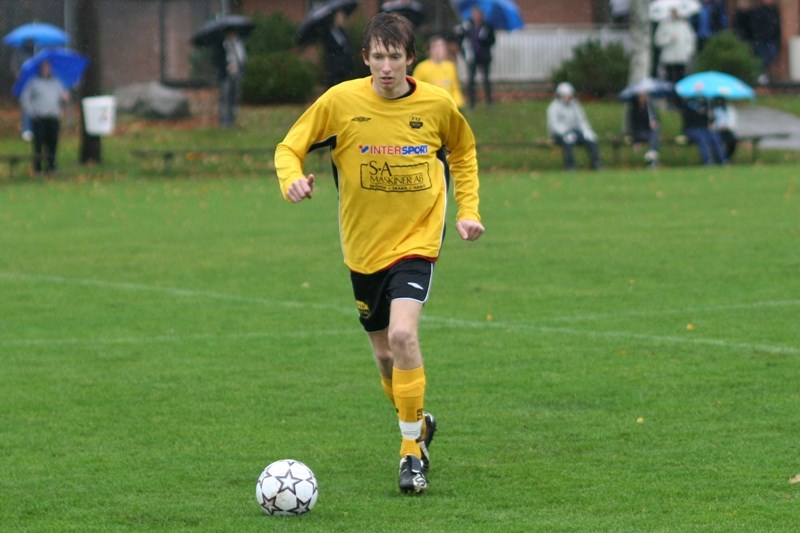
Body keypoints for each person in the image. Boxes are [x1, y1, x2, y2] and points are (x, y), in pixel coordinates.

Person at [274, 12, 484, 494]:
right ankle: (418, 422)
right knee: (385, 354)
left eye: (395, 57)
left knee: (404, 335)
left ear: (410, 59)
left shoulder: (437, 104)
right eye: (377, 57)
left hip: (417, 240)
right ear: (365, 58)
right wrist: (291, 180)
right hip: (363, 247)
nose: (386, 67)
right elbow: (289, 147)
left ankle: (411, 453)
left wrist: (468, 209)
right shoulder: (340, 102)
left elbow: (464, 151)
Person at [20, 60, 69, 176]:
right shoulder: (33, 82)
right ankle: (37, 168)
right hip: (39, 118)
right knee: (38, 143)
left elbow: (62, 97)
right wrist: (32, 112)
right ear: (40, 68)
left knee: (53, 143)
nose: (46, 69)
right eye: (44, 67)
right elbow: (25, 99)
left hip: (53, 117)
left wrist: (64, 98)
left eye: (48, 67)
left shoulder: (56, 82)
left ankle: (51, 167)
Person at [546, 82, 602, 170]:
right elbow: (554, 124)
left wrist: (587, 131)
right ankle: (570, 166)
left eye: (569, 95)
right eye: (564, 95)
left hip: (575, 132)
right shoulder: (554, 107)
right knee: (568, 142)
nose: (567, 97)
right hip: (558, 134)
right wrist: (565, 133)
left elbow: (581, 120)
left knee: (591, 140)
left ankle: (596, 163)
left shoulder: (575, 105)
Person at [412, 35, 465, 108]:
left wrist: (458, 103)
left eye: (441, 46)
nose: (438, 50)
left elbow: (455, 88)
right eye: (435, 46)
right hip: (429, 106)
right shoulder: (421, 68)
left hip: (448, 106)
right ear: (429, 50)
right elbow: (415, 90)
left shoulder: (450, 66)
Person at [460, 6, 495, 109]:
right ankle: (472, 102)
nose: (475, 16)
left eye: (477, 14)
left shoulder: (487, 26)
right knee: (471, 80)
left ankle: (489, 101)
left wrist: (484, 40)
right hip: (472, 56)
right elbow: (462, 39)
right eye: (473, 14)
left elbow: (492, 40)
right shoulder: (468, 26)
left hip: (484, 56)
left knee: (486, 79)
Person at [654, 8, 697, 84]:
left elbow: (690, 40)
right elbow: (657, 40)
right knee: (669, 79)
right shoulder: (664, 24)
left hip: (681, 57)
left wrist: (688, 52)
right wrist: (668, 39)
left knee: (681, 78)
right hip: (669, 58)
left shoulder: (684, 25)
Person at [680, 97, 727, 165]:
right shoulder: (688, 105)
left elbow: (711, 120)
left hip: (705, 129)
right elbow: (687, 118)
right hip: (692, 129)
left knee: (715, 137)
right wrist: (698, 113)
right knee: (702, 139)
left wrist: (710, 116)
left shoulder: (706, 104)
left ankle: (723, 160)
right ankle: (708, 161)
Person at [216, 30, 247, 127]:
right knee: (226, 98)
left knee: (234, 98)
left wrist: (240, 67)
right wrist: (226, 66)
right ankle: (225, 121)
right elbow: (217, 60)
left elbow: (242, 57)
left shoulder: (238, 44)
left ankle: (232, 120)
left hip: (236, 74)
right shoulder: (222, 45)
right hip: (226, 75)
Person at [321, 9, 355, 87]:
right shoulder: (328, 32)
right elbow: (328, 46)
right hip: (334, 66)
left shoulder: (343, 31)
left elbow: (348, 44)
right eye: (340, 17)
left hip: (345, 65)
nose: (342, 19)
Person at [625, 91, 660, 168]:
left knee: (655, 132)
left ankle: (651, 155)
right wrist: (635, 141)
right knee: (653, 136)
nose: (644, 97)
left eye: (645, 95)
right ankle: (652, 157)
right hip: (638, 133)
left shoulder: (650, 108)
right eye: (642, 95)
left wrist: (653, 123)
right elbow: (632, 126)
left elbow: (656, 119)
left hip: (648, 132)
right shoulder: (634, 108)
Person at [750, 0, 781, 85]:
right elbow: (755, 26)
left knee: (769, 56)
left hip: (771, 40)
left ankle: (765, 75)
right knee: (762, 58)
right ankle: (762, 76)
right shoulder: (759, 11)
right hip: (761, 40)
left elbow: (777, 27)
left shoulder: (774, 12)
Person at [10, 39, 35, 141]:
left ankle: (34, 128)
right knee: (26, 107)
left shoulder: (36, 54)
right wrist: (19, 74)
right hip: (24, 85)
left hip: (34, 85)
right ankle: (26, 129)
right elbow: (14, 67)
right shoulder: (19, 54)